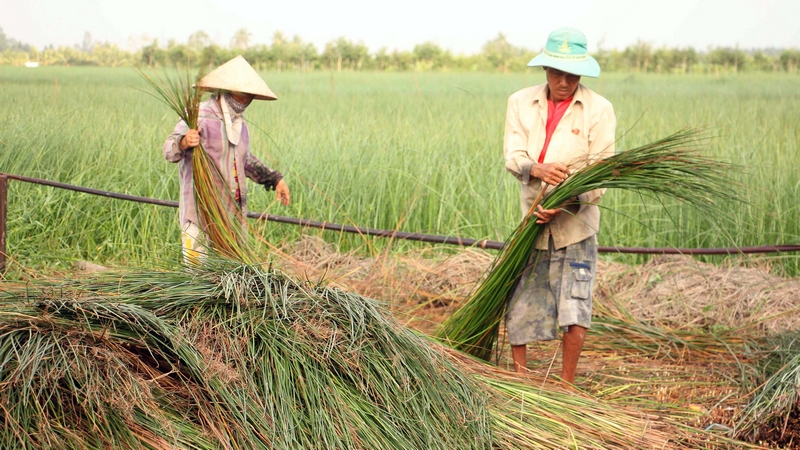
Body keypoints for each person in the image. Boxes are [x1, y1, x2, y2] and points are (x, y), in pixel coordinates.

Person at [502, 28, 616, 385]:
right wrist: (536, 168)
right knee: (519, 301)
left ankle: (566, 386)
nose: (563, 81)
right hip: (532, 223)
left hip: (576, 227)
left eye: (571, 74)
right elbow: (513, 154)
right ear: (545, 69)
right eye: (556, 72)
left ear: (582, 73)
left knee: (575, 305)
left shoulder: (598, 110)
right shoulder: (520, 102)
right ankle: (521, 382)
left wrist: (565, 200)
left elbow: (601, 170)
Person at [163, 55, 290, 263]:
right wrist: (184, 142)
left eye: (248, 95)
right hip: (201, 215)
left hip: (232, 218)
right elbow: (169, 150)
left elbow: (244, 160)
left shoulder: (240, 125)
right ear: (226, 91)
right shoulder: (198, 115)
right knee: (199, 281)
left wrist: (275, 179)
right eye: (240, 94)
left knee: (231, 279)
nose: (244, 101)